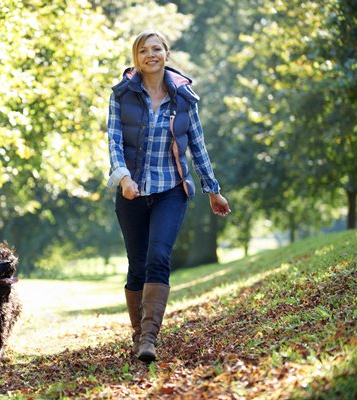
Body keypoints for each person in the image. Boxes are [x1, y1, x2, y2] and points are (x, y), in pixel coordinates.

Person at [106, 30, 230, 362]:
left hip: (171, 190)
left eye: (157, 49)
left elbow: (198, 146)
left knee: (158, 257)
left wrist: (213, 190)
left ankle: (149, 339)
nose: (151, 55)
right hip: (132, 193)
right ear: (137, 58)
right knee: (137, 265)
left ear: (167, 54)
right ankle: (137, 335)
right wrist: (123, 178)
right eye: (143, 50)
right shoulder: (121, 96)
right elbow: (114, 143)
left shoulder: (185, 99)